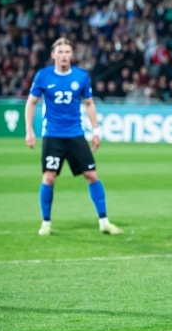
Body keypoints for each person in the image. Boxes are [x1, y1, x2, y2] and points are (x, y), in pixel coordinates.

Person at [24, 38, 123, 236]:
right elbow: (31, 102)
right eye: (59, 51)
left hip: (76, 134)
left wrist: (96, 131)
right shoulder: (43, 76)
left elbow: (89, 104)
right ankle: (46, 223)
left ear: (72, 55)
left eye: (67, 52)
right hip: (53, 135)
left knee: (92, 175)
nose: (63, 55)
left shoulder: (81, 76)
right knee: (49, 177)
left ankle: (104, 222)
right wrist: (29, 130)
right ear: (53, 55)